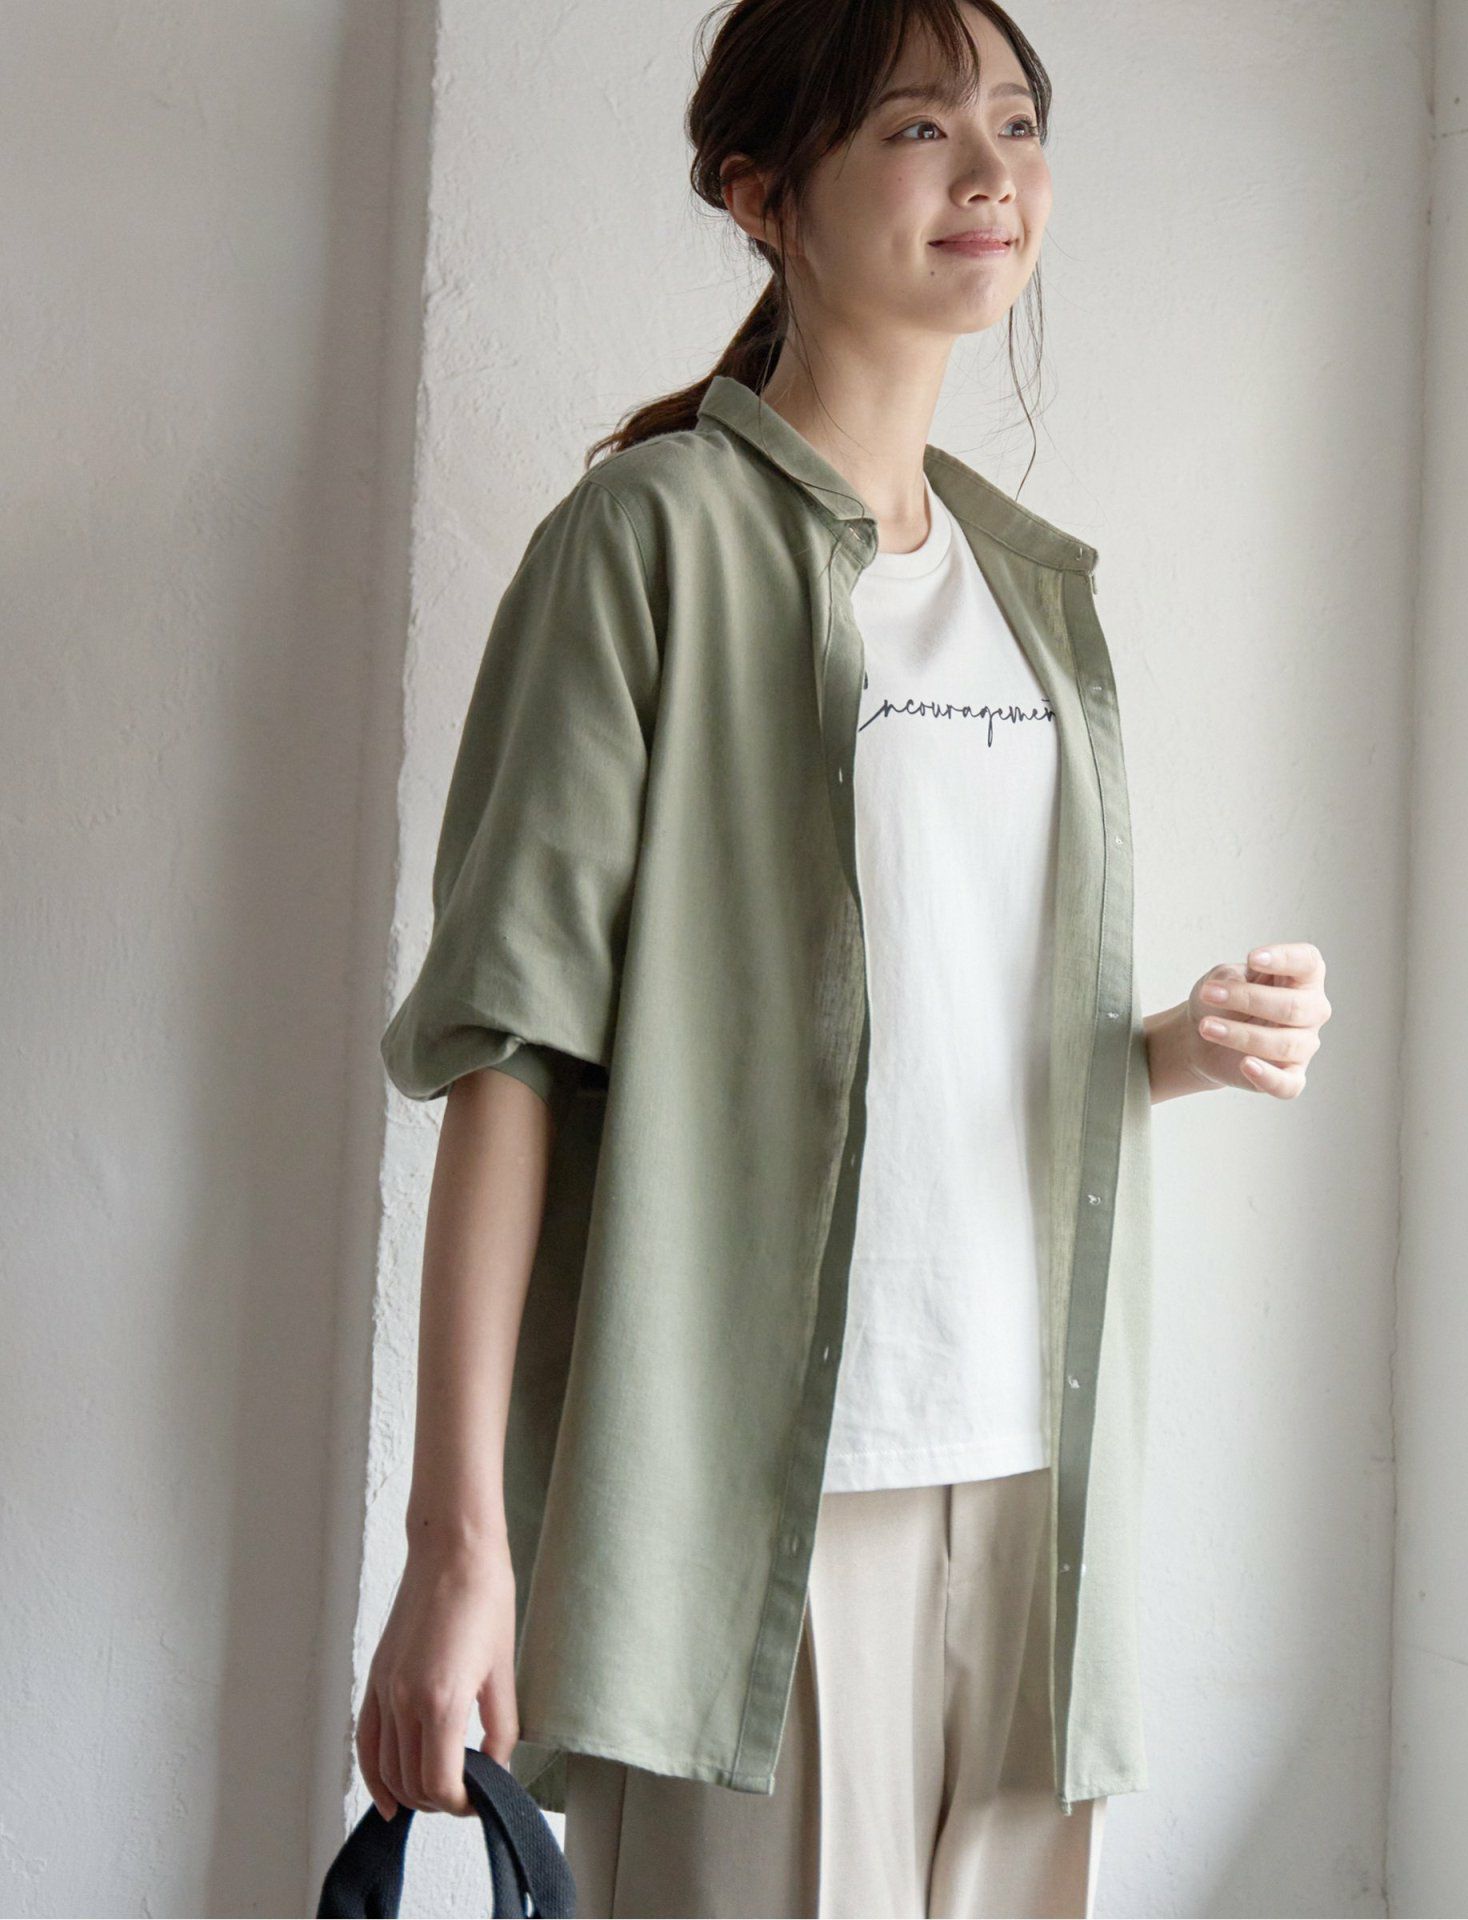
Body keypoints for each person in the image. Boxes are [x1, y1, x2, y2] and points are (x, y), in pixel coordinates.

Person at [359, 2, 1333, 1914]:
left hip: (1038, 1476)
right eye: (915, 127)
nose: (991, 174)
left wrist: (1170, 1048)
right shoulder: (646, 543)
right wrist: (457, 1540)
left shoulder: (1032, 592)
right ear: (762, 195)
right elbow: (510, 1056)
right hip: (765, 1492)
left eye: (1019, 123)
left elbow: (920, 1025)